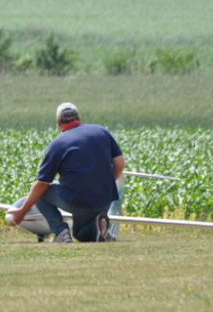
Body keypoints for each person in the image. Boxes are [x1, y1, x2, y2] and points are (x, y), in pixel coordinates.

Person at [8, 102, 125, 242]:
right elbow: (120, 164)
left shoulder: (57, 144)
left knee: (39, 193)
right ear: (79, 119)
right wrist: (106, 185)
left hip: (77, 201)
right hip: (105, 198)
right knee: (81, 235)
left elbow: (42, 184)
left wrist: (21, 212)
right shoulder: (102, 131)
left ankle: (61, 232)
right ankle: (102, 231)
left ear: (58, 123)